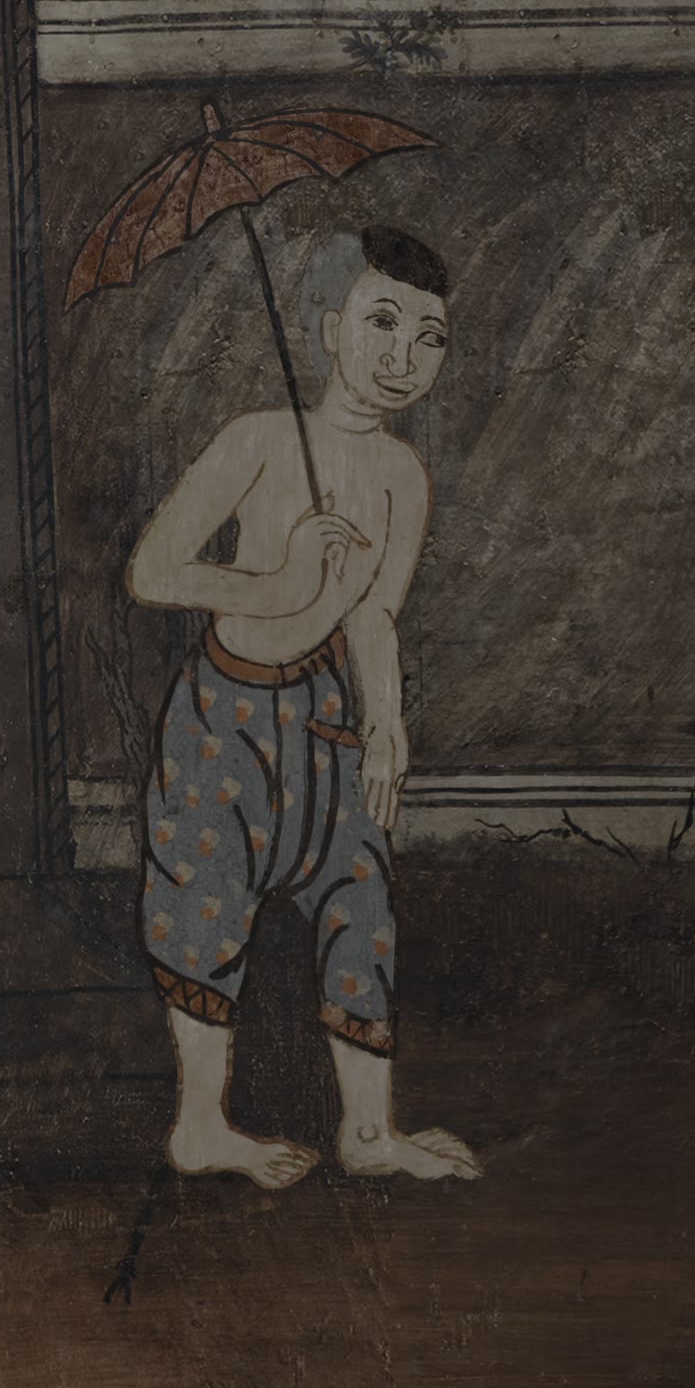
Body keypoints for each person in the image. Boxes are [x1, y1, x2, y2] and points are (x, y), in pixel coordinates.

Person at [126, 223, 481, 1188]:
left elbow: (374, 614)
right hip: (223, 716)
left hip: (324, 714)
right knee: (205, 904)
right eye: (382, 323)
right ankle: (201, 1125)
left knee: (361, 900)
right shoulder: (259, 438)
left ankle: (367, 1131)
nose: (403, 356)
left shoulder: (402, 477)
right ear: (329, 330)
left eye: (429, 337)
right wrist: (276, 583)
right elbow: (153, 570)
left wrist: (387, 722)